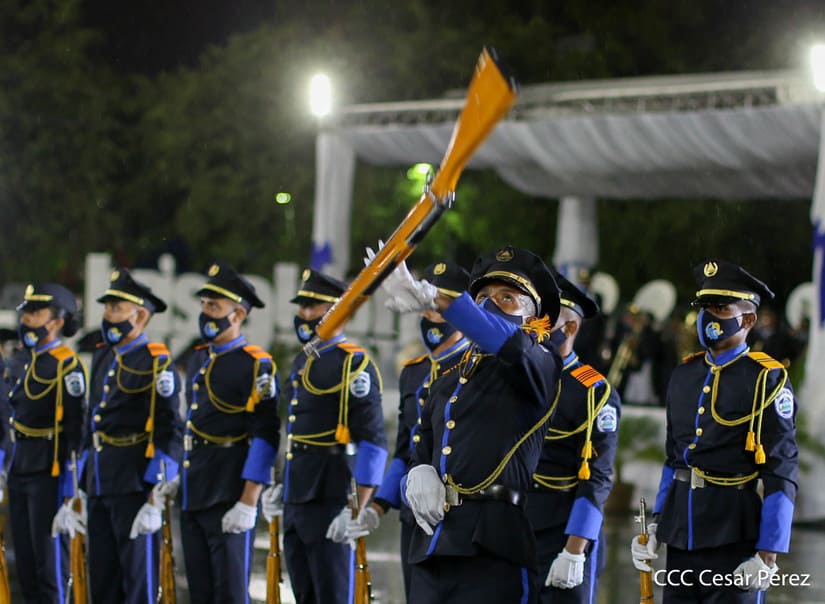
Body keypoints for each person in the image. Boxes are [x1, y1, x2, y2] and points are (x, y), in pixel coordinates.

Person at [380, 245, 562, 604]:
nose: (490, 304)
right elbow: (421, 448)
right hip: (435, 544)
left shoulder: (539, 364)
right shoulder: (448, 378)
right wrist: (418, 473)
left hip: (494, 549)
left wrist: (438, 300)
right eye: (482, 297)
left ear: (532, 318)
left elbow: (511, 345)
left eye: (507, 298)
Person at [631, 260, 799, 603]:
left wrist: (768, 553)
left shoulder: (766, 379)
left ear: (748, 320)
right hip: (681, 534)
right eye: (705, 307)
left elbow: (781, 470)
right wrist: (657, 524)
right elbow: (674, 460)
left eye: (721, 308)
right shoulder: (684, 374)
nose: (709, 317)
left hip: (734, 538)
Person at [52, 268, 184, 604]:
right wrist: (80, 486)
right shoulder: (104, 355)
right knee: (102, 582)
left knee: (137, 584)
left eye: (116, 308)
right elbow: (92, 422)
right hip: (100, 481)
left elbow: (170, 428)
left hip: (135, 484)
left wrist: (157, 493)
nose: (108, 315)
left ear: (140, 316)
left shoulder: (155, 360)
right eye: (107, 308)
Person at [347, 261, 473, 599]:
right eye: (426, 308)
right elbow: (406, 449)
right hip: (412, 517)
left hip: (459, 515)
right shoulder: (414, 372)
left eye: (440, 307)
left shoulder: (478, 368)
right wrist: (377, 507)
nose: (432, 317)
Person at [262, 268, 387, 604]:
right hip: (297, 498)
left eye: (313, 306)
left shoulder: (353, 364)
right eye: (302, 307)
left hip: (333, 498)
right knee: (304, 594)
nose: (304, 314)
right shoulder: (302, 361)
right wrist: (283, 485)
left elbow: (373, 444)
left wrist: (356, 508)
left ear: (338, 311)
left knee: (333, 594)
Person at [174, 261, 281, 603]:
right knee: (200, 593)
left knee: (231, 594)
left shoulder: (255, 364)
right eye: (204, 304)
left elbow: (266, 435)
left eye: (214, 306)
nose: (206, 312)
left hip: (229, 492)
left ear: (237, 314)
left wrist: (249, 499)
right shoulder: (199, 357)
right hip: (194, 490)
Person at [526, 272, 620, 604]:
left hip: (564, 531)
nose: (534, 327)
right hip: (517, 527)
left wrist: (575, 549)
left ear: (569, 328)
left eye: (546, 321)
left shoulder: (594, 392)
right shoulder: (519, 375)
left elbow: (598, 477)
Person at [5, 283, 85, 603]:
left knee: (49, 567)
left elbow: (76, 430)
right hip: (20, 466)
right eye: (26, 312)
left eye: (35, 313)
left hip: (48, 471)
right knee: (25, 566)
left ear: (57, 321)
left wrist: (69, 489)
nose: (26, 320)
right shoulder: (21, 361)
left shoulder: (66, 365)